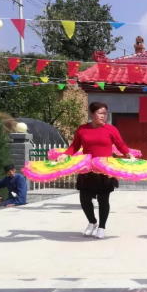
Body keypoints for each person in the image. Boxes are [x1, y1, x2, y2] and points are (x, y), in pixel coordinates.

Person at [58, 102, 134, 239]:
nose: (103, 116)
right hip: (87, 169)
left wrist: (128, 154)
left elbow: (120, 144)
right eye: (100, 113)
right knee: (84, 199)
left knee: (103, 200)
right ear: (91, 114)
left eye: (105, 113)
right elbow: (75, 146)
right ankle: (92, 222)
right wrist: (65, 154)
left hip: (104, 169)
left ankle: (102, 227)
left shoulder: (111, 129)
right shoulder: (82, 129)